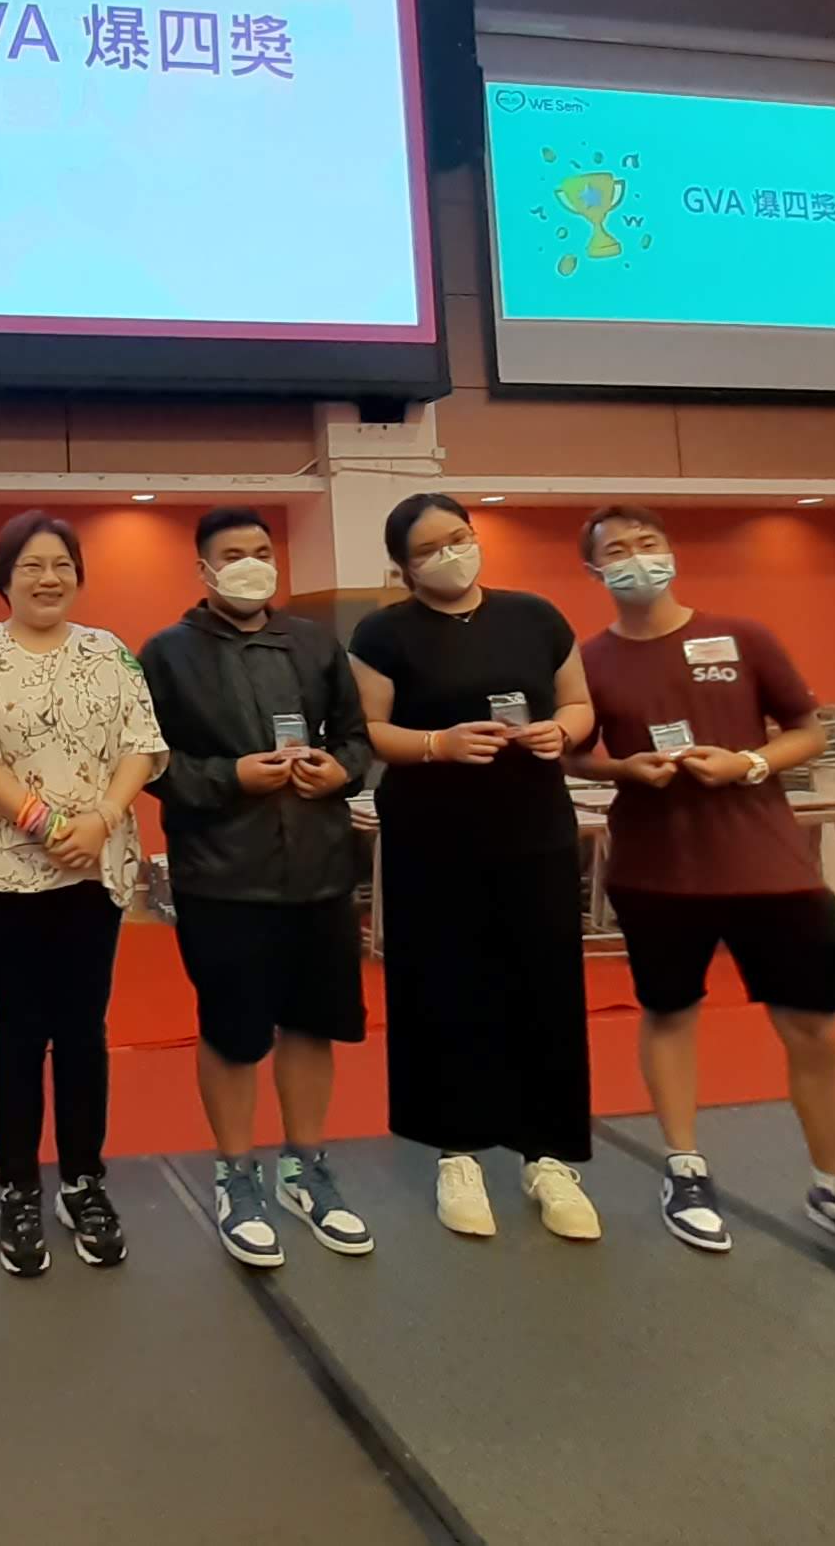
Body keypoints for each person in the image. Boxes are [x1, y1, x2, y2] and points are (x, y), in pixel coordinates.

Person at [571, 504, 835, 1276]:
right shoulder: (588, 661)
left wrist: (750, 764)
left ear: (671, 551)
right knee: (669, 1014)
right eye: (617, 551)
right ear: (595, 571)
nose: (636, 558)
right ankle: (685, 1169)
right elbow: (573, 754)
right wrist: (623, 770)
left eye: (647, 543)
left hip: (770, 868)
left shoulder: (743, 636)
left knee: (815, 1029)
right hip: (657, 873)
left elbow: (808, 729)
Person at [347, 493, 600, 1243]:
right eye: (428, 549)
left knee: (545, 983)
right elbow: (367, 729)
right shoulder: (383, 632)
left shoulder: (535, 616)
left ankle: (548, 1154)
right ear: (403, 567)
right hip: (432, 834)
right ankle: (455, 1151)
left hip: (533, 827)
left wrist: (560, 732)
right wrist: (438, 745)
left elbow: (579, 703)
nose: (449, 555)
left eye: (458, 537)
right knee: (442, 985)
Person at [140, 507, 376, 1269]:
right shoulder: (168, 654)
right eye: (233, 553)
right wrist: (231, 776)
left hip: (319, 869)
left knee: (312, 1024)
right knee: (233, 1034)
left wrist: (341, 771)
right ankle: (236, 1176)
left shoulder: (314, 641)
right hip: (223, 875)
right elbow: (149, 761)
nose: (252, 563)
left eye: (262, 550)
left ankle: (306, 1168)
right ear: (204, 570)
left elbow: (357, 737)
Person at [0, 513, 168, 1276]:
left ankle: (83, 1181)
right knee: (19, 1027)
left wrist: (101, 820)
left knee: (82, 1027)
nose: (48, 578)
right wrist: (46, 825)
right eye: (32, 566)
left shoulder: (109, 652)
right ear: (4, 578)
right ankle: (17, 1188)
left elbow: (142, 744)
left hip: (96, 866)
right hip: (7, 868)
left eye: (62, 565)